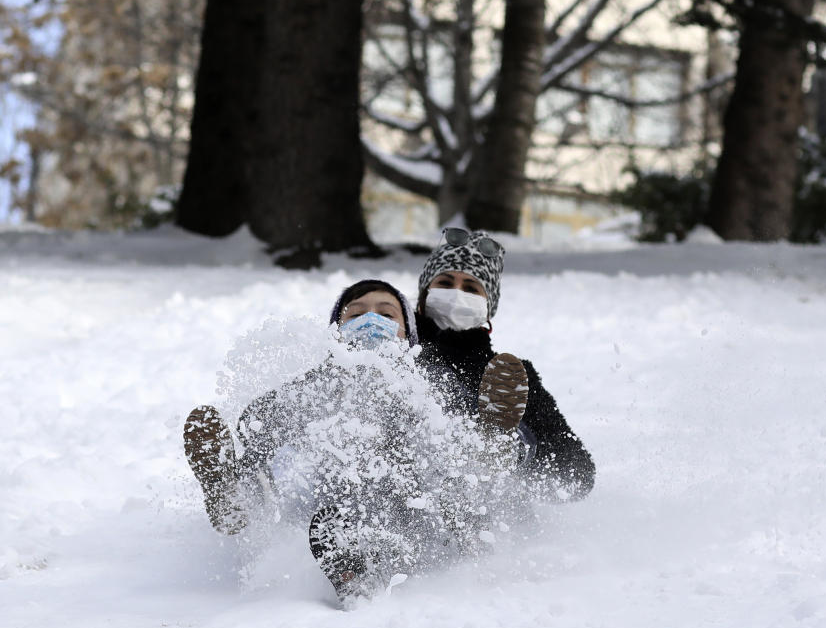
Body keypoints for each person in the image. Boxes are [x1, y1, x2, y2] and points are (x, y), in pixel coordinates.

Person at [184, 279, 489, 603]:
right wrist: (248, 447)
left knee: (447, 475)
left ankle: (436, 545)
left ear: (407, 335)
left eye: (386, 315)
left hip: (410, 515)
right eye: (356, 314)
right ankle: (237, 497)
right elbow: (258, 423)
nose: (370, 320)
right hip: (328, 514)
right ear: (337, 332)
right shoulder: (315, 388)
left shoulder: (421, 392)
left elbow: (449, 449)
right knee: (273, 467)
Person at [415, 227, 595, 498]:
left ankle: (494, 448)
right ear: (424, 294)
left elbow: (578, 474)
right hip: (406, 503)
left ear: (488, 306)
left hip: (490, 516)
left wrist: (518, 456)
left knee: (509, 445)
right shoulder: (398, 352)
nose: (456, 294)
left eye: (471, 288)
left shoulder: (511, 375)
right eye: (445, 283)